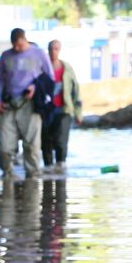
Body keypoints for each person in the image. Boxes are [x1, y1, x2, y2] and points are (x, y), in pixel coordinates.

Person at [0, 28, 53, 177]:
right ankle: (7, 174)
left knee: (31, 145)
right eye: (14, 46)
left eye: (20, 45)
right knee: (5, 145)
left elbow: (50, 78)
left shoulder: (39, 53)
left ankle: (32, 177)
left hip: (30, 104)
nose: (17, 49)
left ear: (25, 39)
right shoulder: (6, 56)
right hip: (8, 104)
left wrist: (35, 87)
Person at [42, 40, 82, 169]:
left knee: (61, 140)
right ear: (48, 50)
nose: (53, 51)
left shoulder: (67, 68)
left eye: (56, 49)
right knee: (46, 140)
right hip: (46, 110)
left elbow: (75, 90)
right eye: (51, 49)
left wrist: (78, 113)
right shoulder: (42, 68)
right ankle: (48, 167)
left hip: (64, 109)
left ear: (59, 50)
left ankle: (61, 166)